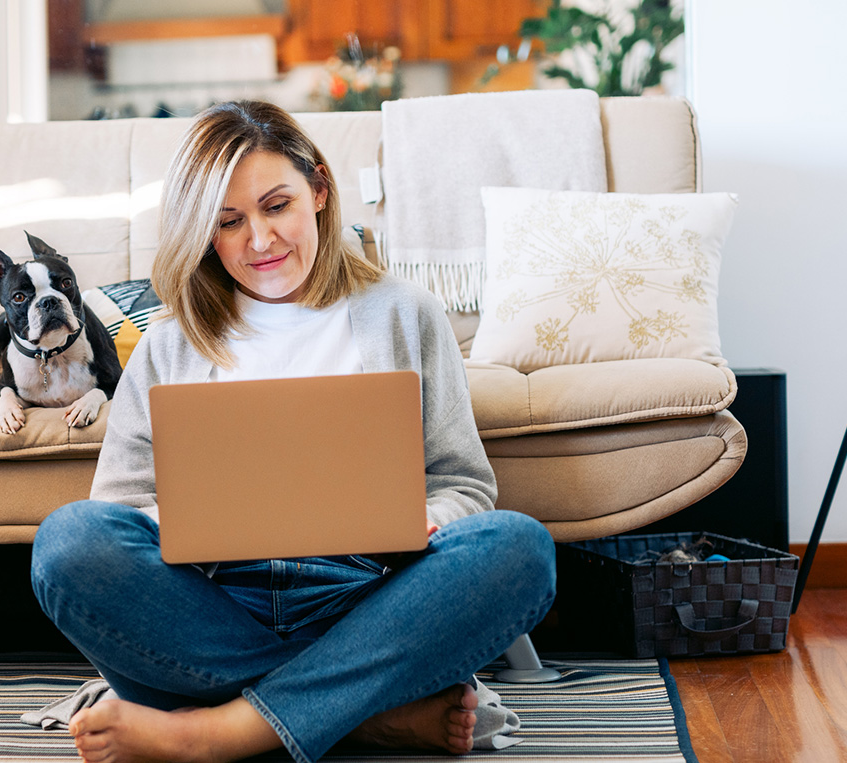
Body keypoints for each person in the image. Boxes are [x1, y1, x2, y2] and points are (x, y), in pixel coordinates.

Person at [30, 100, 556, 763]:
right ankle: (367, 714)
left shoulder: (406, 314)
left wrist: (427, 517)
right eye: (229, 222)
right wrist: (177, 519)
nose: (259, 240)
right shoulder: (169, 344)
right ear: (206, 234)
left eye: (276, 205)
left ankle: (218, 731)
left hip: (369, 595)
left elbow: (463, 484)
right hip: (216, 603)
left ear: (319, 189)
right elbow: (115, 510)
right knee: (66, 544)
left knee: (519, 549)